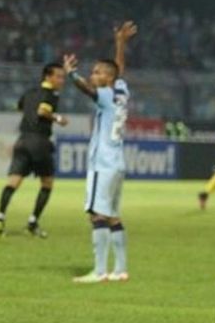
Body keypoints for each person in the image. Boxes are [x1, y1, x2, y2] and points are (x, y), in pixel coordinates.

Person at [63, 21, 137, 284]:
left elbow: (88, 90)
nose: (92, 75)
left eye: (96, 72)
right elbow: (119, 70)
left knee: (97, 215)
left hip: (102, 163)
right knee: (114, 216)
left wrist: (72, 75)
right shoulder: (121, 90)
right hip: (118, 162)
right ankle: (120, 269)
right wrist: (120, 43)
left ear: (106, 78)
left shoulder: (105, 93)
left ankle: (99, 271)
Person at [0, 63, 68, 238]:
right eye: (58, 76)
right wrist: (57, 118)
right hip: (40, 142)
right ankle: (33, 223)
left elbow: (20, 107)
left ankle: (0, 216)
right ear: (48, 77)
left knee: (13, 182)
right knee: (47, 184)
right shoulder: (51, 94)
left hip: (22, 141)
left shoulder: (29, 93)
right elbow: (43, 111)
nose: (61, 80)